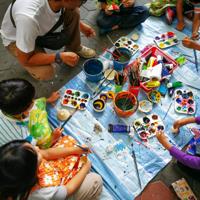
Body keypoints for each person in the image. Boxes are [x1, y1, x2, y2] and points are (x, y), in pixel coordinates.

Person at [0, 0, 96, 81]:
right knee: (46, 72)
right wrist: (59, 57)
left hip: (35, 31)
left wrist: (81, 26)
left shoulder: (57, 2)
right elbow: (26, 60)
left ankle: (74, 48)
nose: (83, 2)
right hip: (16, 40)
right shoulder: (29, 18)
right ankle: (33, 63)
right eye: (82, 0)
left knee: (74, 11)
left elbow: (68, 9)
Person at [0, 139, 103, 200]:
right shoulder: (41, 194)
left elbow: (47, 154)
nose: (37, 147)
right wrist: (86, 167)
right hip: (58, 192)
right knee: (96, 180)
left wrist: (76, 150)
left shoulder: (12, 172)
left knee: (69, 143)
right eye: (36, 152)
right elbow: (69, 189)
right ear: (30, 175)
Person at [0, 78, 61, 148]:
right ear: (26, 112)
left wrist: (48, 100)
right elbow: (37, 152)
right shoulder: (23, 138)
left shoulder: (6, 104)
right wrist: (53, 138)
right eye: (32, 101)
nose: (34, 101)